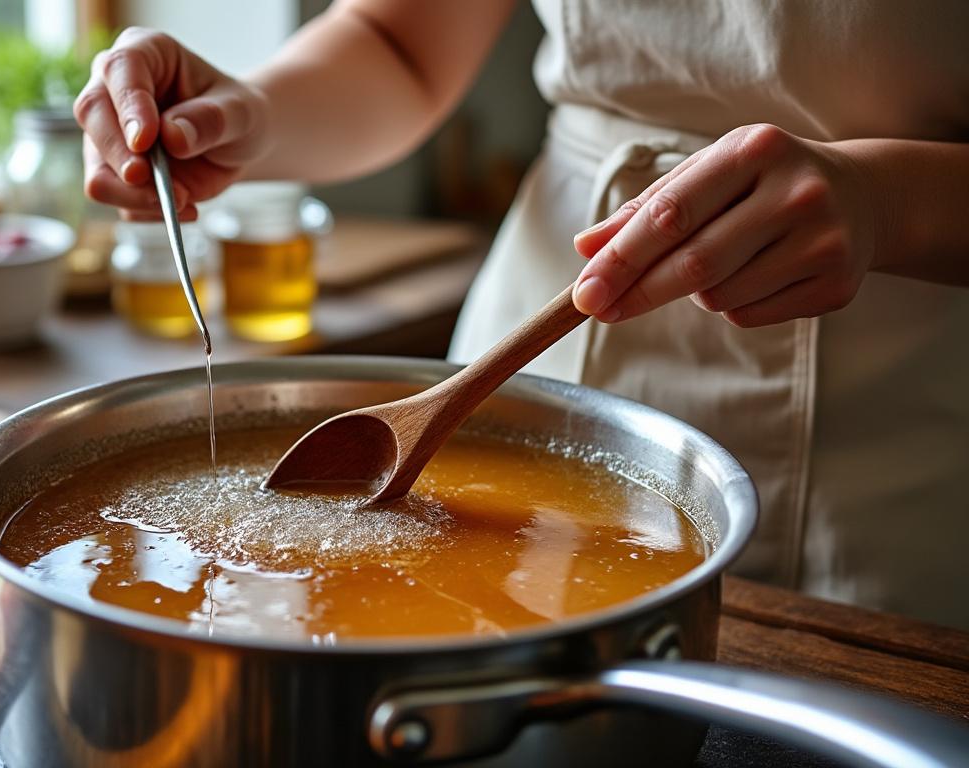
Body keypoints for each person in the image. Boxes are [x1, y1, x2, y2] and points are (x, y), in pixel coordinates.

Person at [73, 0, 969, 629]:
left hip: (903, 437)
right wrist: (251, 114)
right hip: (533, 358)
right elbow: (403, 42)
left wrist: (896, 205)